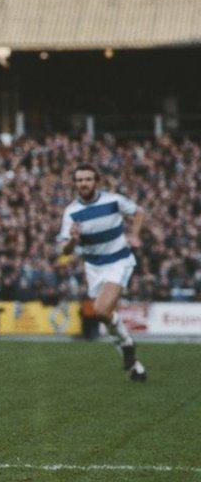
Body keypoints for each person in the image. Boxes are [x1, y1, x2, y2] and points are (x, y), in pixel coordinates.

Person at [58, 163, 147, 382]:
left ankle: (127, 346)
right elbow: (65, 250)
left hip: (118, 261)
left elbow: (138, 212)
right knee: (104, 316)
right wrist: (72, 240)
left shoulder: (113, 200)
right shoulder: (71, 212)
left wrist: (134, 235)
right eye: (79, 180)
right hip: (93, 267)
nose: (83, 184)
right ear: (75, 184)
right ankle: (134, 362)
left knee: (100, 309)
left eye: (87, 179)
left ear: (96, 181)